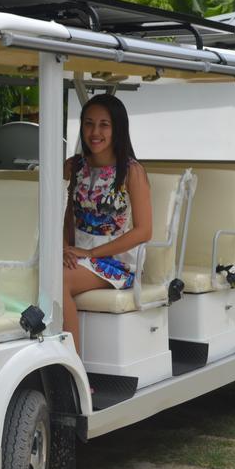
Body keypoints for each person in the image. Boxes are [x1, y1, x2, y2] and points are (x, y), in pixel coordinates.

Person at [63, 94, 152, 357]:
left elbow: (144, 231)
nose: (95, 132)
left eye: (104, 125)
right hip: (77, 254)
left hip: (117, 261)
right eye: (89, 124)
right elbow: (64, 214)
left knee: (56, 282)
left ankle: (72, 369)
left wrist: (90, 254)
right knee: (39, 272)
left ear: (118, 129)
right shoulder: (73, 166)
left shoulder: (131, 171)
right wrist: (64, 247)